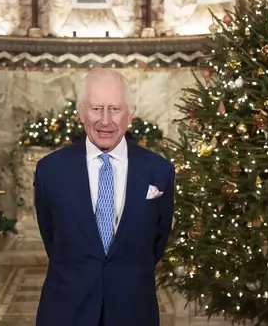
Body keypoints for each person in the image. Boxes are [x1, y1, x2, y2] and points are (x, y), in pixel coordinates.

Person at [33, 69, 175, 326]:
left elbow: (157, 240)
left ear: (130, 113)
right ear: (81, 112)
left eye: (115, 109)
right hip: (66, 311)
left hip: (134, 311)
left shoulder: (160, 171)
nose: (106, 121)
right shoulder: (50, 171)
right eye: (97, 109)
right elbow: (51, 236)